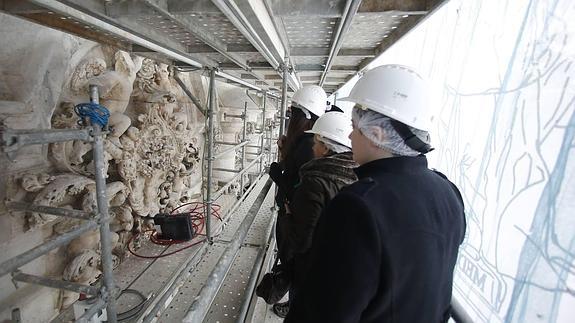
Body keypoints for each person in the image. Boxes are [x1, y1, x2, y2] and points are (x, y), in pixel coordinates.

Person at [285, 65, 466, 323]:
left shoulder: (358, 206)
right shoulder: (447, 192)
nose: (349, 135)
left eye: (354, 127)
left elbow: (323, 311)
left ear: (376, 134)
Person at [275, 112, 358, 318]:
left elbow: (300, 241)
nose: (312, 147)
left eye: (316, 142)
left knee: (302, 301)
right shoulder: (355, 174)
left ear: (327, 147)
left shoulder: (315, 181)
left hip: (311, 266)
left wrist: (287, 215)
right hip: (336, 264)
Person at [267, 85, 326, 315]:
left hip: (293, 214)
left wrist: (276, 174)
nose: (290, 117)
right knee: (295, 260)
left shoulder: (305, 145)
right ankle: (294, 303)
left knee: (293, 261)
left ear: (304, 116)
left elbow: (296, 186)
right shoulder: (308, 141)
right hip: (296, 213)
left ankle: (294, 305)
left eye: (293, 113)